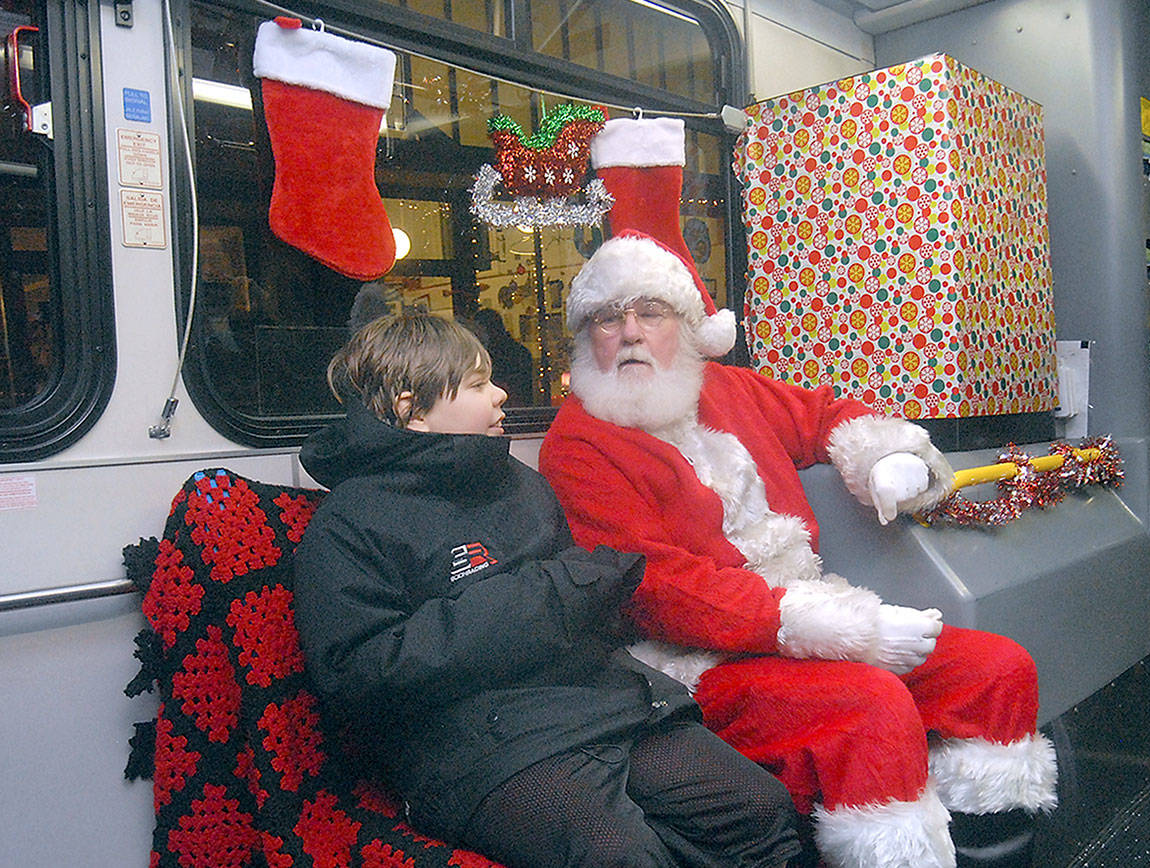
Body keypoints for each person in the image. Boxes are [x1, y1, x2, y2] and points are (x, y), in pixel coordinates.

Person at [539, 117, 1058, 868]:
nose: (627, 333)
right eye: (605, 319)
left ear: (685, 327)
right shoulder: (578, 442)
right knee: (872, 708)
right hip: (688, 662)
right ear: (586, 339)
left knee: (998, 669)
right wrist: (823, 623)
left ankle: (986, 846)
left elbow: (823, 415)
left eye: (648, 313)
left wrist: (885, 456)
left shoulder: (727, 387)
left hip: (808, 616)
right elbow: (652, 588)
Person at [293, 312, 802, 868]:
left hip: (593, 703)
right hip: (478, 747)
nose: (501, 393)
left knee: (760, 810)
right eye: (478, 384)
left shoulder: (521, 484)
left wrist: (595, 595)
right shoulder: (350, 523)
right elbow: (358, 673)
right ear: (412, 410)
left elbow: (573, 605)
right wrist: (535, 601)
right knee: (622, 856)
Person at [473, 306, 536, 405]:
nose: (477, 335)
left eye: (478, 330)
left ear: (487, 328)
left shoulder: (494, 355)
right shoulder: (521, 352)